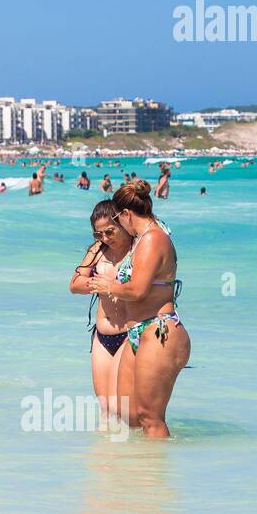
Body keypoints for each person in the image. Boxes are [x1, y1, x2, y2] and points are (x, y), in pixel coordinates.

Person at [87, 181, 190, 438]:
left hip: (159, 330)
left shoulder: (154, 238)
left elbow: (138, 290)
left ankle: (154, 476)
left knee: (150, 417)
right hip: (138, 331)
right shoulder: (142, 238)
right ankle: (140, 470)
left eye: (118, 221)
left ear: (125, 214)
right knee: (129, 415)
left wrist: (107, 285)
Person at [69, 200, 133, 420]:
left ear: (122, 223)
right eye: (98, 234)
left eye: (109, 231)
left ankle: (137, 451)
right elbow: (74, 284)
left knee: (120, 405)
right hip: (102, 336)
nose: (104, 238)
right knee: (105, 407)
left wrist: (113, 285)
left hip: (128, 334)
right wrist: (99, 285)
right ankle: (105, 453)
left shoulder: (138, 249)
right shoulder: (97, 250)